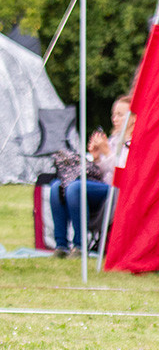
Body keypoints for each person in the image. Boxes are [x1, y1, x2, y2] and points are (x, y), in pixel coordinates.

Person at [50, 95, 133, 257]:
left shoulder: (134, 142)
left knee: (75, 187)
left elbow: (123, 173)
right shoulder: (114, 139)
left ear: (133, 119)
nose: (114, 119)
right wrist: (96, 157)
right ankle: (61, 245)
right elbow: (103, 172)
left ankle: (80, 245)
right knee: (57, 186)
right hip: (102, 188)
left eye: (120, 114)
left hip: (119, 191)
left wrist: (107, 152)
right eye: (113, 114)